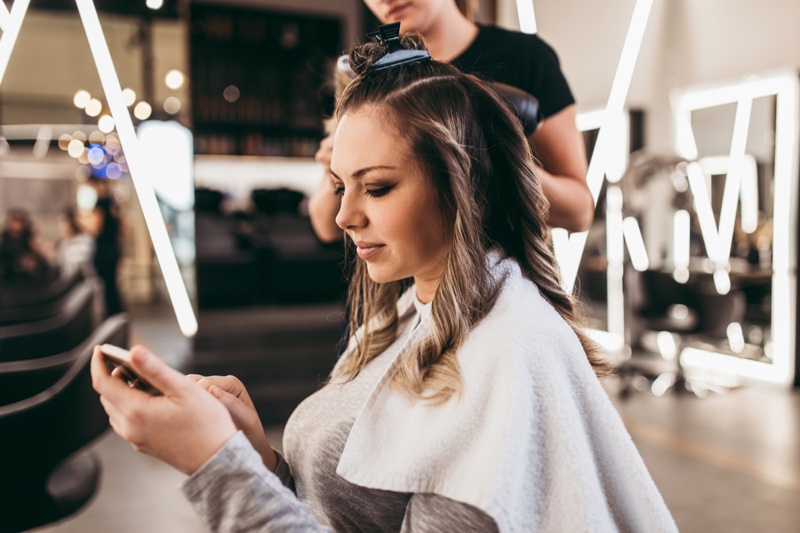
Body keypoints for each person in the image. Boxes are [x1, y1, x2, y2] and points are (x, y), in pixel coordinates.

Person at [91, 35, 676, 532]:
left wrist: (212, 462)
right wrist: (257, 458)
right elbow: (344, 512)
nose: (344, 217)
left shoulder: (509, 356)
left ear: (462, 185)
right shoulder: (404, 313)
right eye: (340, 185)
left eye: (376, 188)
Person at [309, 0, 593, 243]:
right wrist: (338, 171)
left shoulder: (526, 59)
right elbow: (327, 226)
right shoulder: (370, 76)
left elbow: (579, 213)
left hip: (486, 293)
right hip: (396, 297)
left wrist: (493, 153)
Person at [0, 208, 54, 282]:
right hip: (9, 274)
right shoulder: (5, 237)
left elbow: (39, 255)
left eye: (20, 221)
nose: (17, 225)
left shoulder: (28, 237)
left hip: (28, 276)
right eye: (15, 221)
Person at [91, 197, 124, 317]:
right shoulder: (115, 219)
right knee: (112, 287)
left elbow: (96, 228)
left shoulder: (102, 210)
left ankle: (113, 314)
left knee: (109, 288)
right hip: (112, 253)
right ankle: (116, 314)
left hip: (106, 255)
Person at [57, 207, 96, 280]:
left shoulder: (85, 241)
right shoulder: (63, 244)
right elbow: (62, 266)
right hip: (67, 282)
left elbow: (82, 265)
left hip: (84, 281)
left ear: (71, 222)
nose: (61, 227)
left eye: (63, 223)